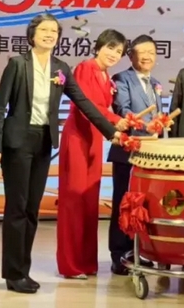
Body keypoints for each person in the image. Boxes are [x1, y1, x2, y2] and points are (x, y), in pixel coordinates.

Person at [0, 14, 122, 294]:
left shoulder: (60, 68)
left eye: (54, 31)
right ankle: (13, 273)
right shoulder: (17, 64)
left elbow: (83, 101)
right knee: (17, 208)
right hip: (17, 142)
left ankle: (23, 271)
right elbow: (0, 107)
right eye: (44, 30)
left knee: (32, 209)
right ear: (32, 34)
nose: (49, 35)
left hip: (44, 141)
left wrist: (111, 132)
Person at [56, 29, 129, 279]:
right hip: (78, 137)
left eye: (119, 51)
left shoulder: (106, 76)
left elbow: (103, 108)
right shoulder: (85, 68)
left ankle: (86, 262)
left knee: (89, 201)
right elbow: (85, 105)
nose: (114, 54)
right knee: (74, 200)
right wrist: (113, 123)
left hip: (95, 138)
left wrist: (119, 120)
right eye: (110, 48)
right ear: (98, 47)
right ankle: (70, 265)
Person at [108, 34, 162, 275]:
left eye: (151, 52)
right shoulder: (121, 79)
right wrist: (147, 126)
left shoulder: (155, 83)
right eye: (142, 52)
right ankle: (119, 254)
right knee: (123, 204)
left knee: (142, 205)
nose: (147, 56)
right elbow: (123, 110)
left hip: (149, 154)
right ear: (130, 56)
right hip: (127, 152)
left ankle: (136, 251)